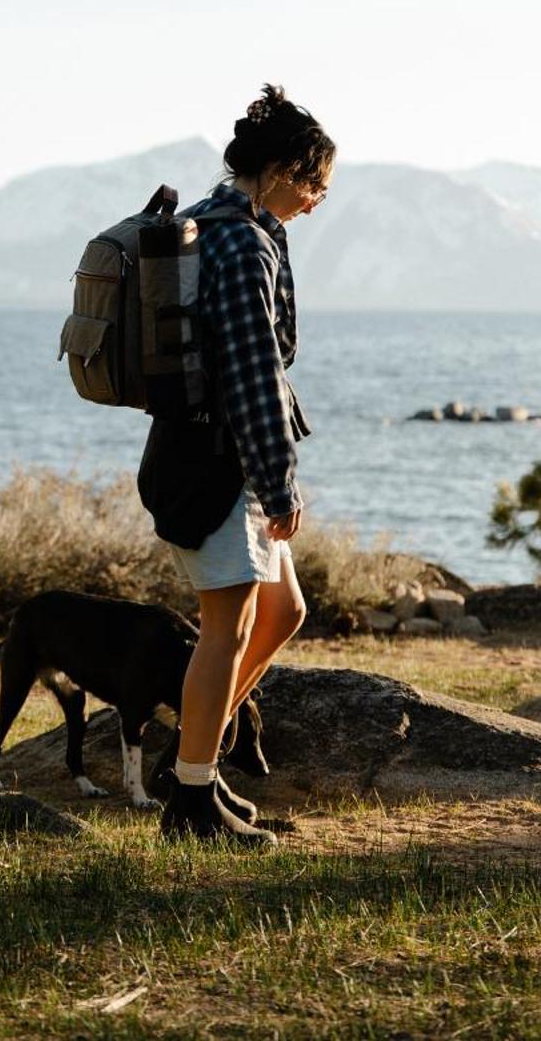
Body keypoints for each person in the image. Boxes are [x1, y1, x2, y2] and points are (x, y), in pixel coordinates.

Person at [138, 83, 334, 845]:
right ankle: (190, 800)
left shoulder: (220, 224)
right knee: (225, 625)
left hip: (210, 453)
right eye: (315, 183)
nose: (317, 200)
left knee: (282, 611)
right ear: (284, 168)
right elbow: (254, 375)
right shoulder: (241, 242)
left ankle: (195, 758)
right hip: (219, 462)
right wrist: (280, 482)